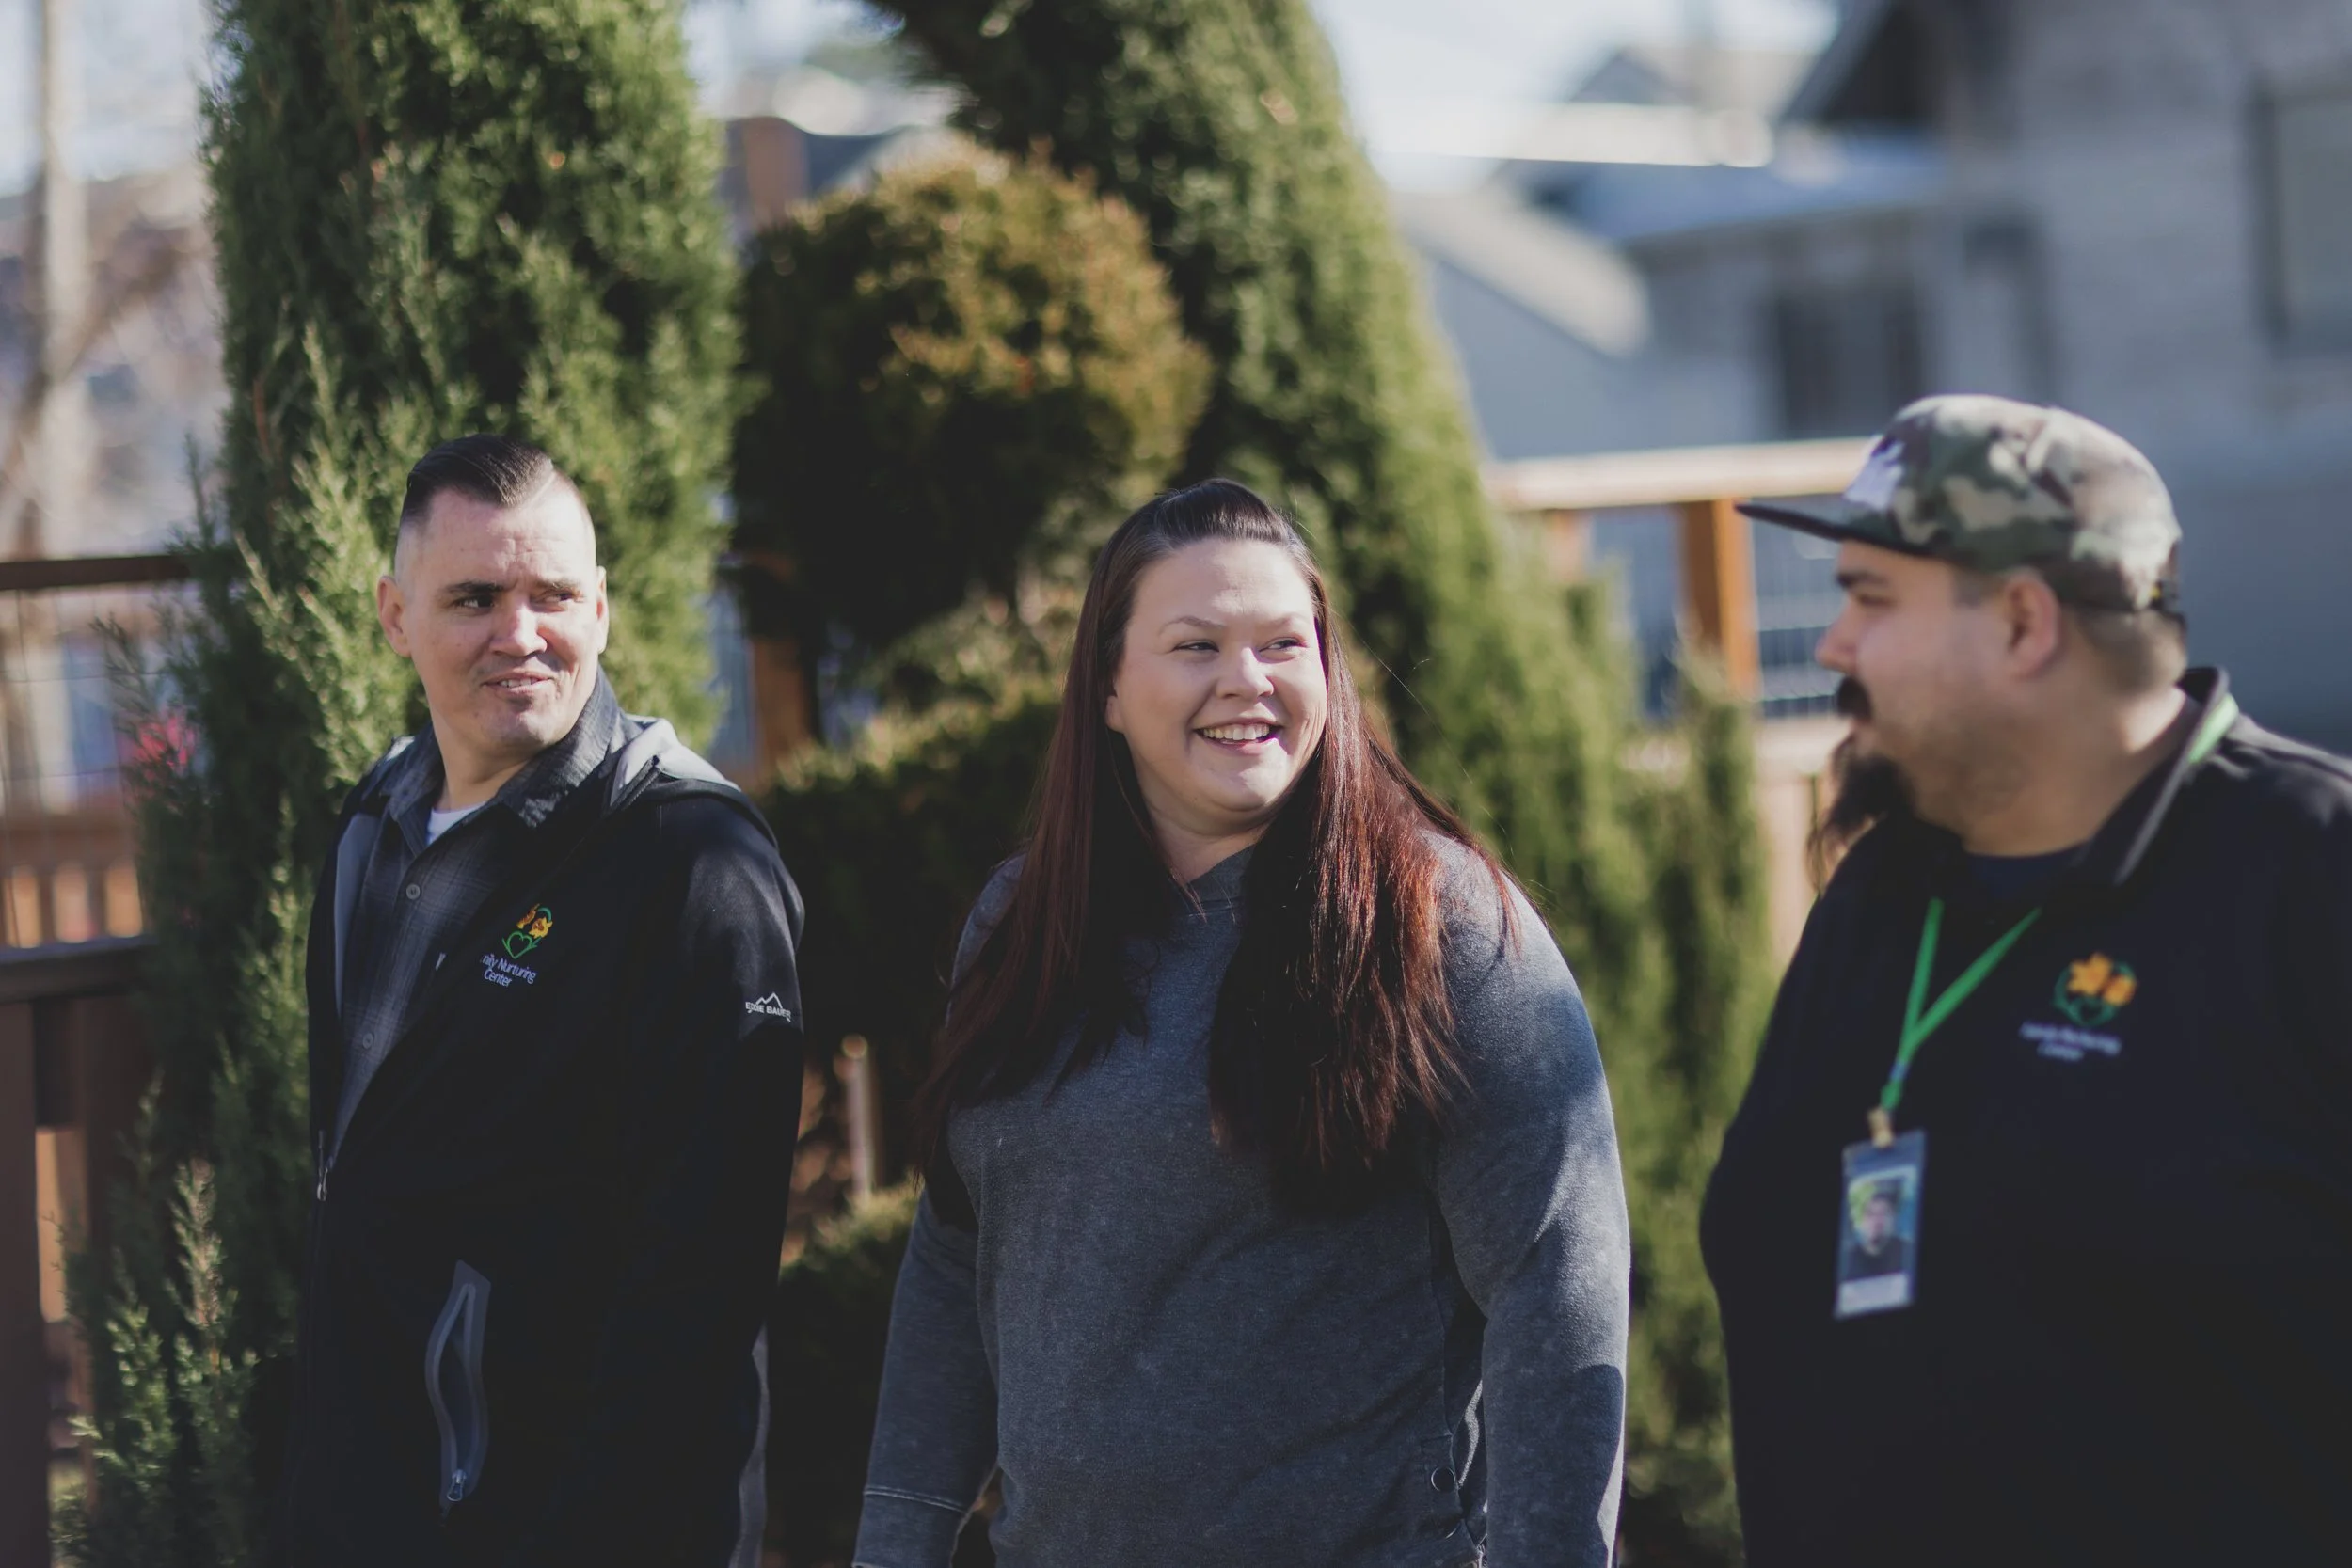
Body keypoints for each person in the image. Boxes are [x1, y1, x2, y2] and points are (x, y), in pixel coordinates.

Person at [852, 481, 1630, 1568]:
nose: (1246, 681)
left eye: (1281, 643)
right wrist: (894, 1540)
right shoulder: (1020, 926)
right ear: (1109, 687)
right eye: (1196, 643)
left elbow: (1558, 1280)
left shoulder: (1438, 926)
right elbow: (954, 1256)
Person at [1701, 395, 2352, 1566]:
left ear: (2019, 621)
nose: (1834, 645)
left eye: (1869, 597)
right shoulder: (1878, 892)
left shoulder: (2311, 873)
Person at [277, 436, 806, 1567]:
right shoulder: (374, 828)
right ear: (394, 616)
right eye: (474, 597)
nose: (520, 634)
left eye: (552, 594)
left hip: (583, 1526)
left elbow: (697, 1303)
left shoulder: (692, 861)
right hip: (372, 1509)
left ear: (602, 609)